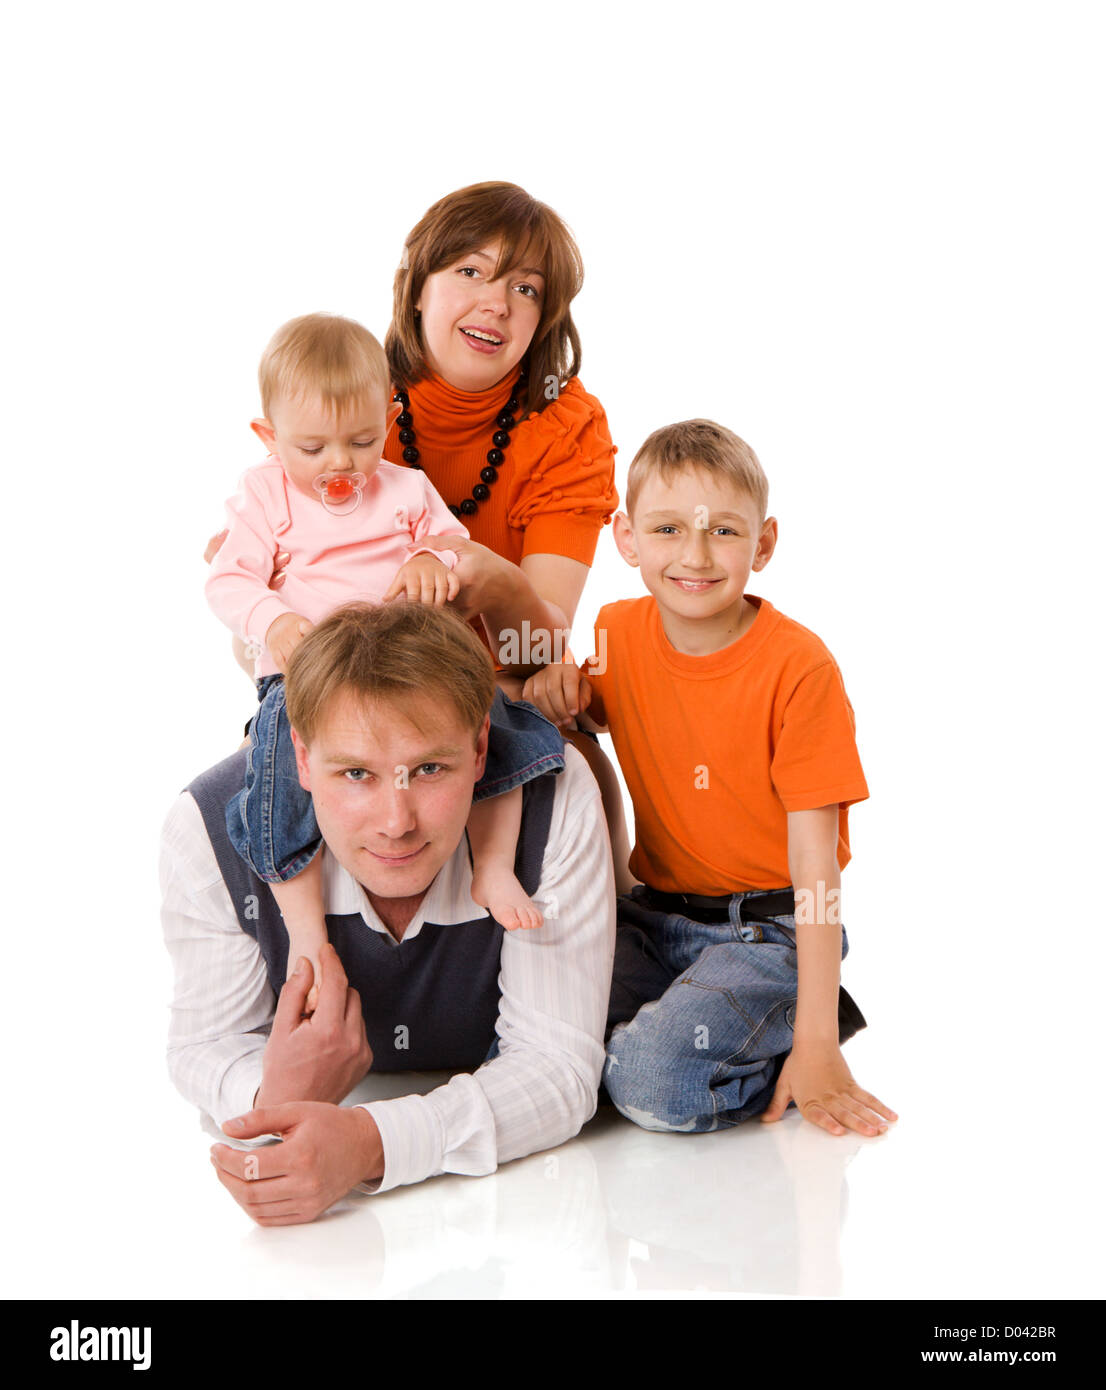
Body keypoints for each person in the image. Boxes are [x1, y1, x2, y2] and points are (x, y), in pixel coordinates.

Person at [205, 181, 633, 887]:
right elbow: (252, 601)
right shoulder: (345, 396)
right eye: (471, 270)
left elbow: (541, 642)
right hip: (343, 675)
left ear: (543, 318)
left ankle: (618, 932)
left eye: (526, 289)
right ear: (417, 288)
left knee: (568, 753)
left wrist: (481, 575)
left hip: (495, 674)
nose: (497, 302)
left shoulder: (567, 428)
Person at [161, 602, 616, 1223]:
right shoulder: (211, 829)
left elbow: (558, 1066)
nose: (397, 824)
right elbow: (205, 1044)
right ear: (299, 756)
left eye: (430, 769)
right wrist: (277, 1094)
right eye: (355, 774)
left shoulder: (551, 800)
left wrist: (369, 1144)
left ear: (481, 748)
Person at [524, 420, 898, 1138]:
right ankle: (704, 1015)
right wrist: (561, 687)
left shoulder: (799, 669)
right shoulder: (617, 632)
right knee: (534, 1030)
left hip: (770, 931)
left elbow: (816, 867)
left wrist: (819, 1043)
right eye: (667, 529)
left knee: (649, 1083)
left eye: (723, 532)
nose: (694, 556)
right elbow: (589, 715)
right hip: (655, 921)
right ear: (626, 539)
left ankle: (796, 1023)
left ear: (763, 544)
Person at [206, 313, 556, 1004]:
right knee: (276, 780)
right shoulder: (264, 494)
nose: (340, 464)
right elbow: (226, 579)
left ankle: (492, 866)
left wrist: (430, 559)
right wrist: (273, 622)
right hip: (311, 678)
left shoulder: (404, 489)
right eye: (312, 448)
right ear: (269, 438)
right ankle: (305, 928)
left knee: (504, 733)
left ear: (389, 420)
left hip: (414, 673)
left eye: (362, 441)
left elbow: (452, 545)